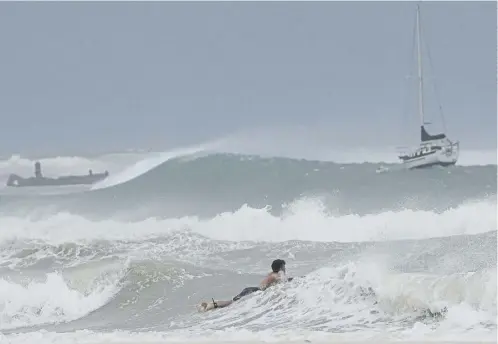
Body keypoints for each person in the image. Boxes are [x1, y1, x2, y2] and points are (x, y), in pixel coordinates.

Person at [198, 259, 293, 312]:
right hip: (254, 291)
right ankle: (211, 305)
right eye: (284, 266)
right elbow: (283, 280)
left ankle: (211, 304)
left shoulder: (271, 273)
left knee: (232, 302)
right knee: (232, 304)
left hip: (252, 290)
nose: (285, 268)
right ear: (280, 267)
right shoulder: (276, 275)